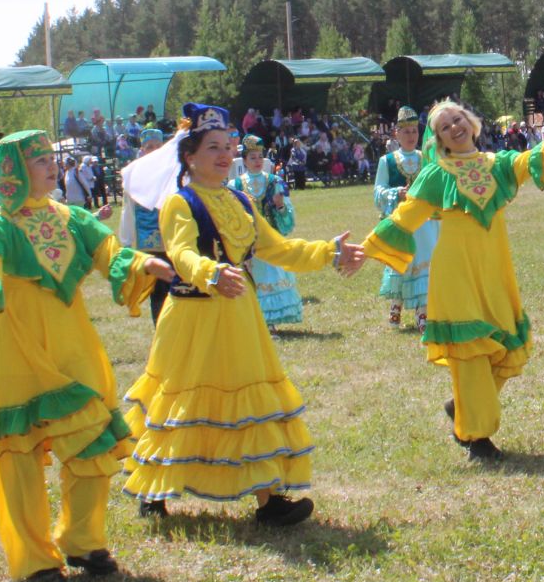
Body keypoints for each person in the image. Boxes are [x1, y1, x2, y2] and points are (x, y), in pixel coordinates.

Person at [0, 131, 173, 582]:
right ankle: (34, 560)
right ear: (13, 171)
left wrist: (141, 264)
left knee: (96, 441)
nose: (52, 167)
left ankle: (82, 541)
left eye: (53, 159)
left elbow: (108, 249)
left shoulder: (72, 218)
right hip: (22, 351)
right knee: (20, 453)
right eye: (40, 161)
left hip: (74, 347)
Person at [121, 105, 365, 520]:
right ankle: (155, 490)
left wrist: (330, 251)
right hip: (193, 318)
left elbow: (280, 249)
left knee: (249, 401)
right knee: (180, 399)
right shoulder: (179, 203)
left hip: (240, 315)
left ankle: (267, 500)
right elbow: (180, 253)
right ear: (189, 156)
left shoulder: (241, 200)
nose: (223, 154)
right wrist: (210, 272)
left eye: (227, 146)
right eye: (212, 147)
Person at [362, 104, 544, 462]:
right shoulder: (435, 174)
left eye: (457, 120)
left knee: (507, 344)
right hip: (455, 273)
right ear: (440, 140)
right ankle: (476, 438)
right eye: (445, 127)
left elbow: (530, 161)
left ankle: (462, 404)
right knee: (473, 349)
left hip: (494, 268)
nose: (454, 128)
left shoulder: (498, 163)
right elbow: (405, 217)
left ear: (471, 123)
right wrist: (366, 249)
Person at [372, 106, 437, 332]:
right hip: (400, 221)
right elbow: (378, 192)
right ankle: (397, 301)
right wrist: (396, 193)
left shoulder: (425, 158)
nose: (411, 136)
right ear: (397, 134)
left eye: (414, 131)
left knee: (423, 260)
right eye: (406, 132)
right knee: (403, 262)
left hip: (423, 222)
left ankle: (423, 310)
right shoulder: (387, 161)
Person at [229, 136, 302, 328]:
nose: (257, 161)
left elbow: (288, 221)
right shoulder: (234, 186)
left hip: (269, 240)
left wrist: (280, 207)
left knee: (269, 278)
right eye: (252, 157)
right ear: (244, 160)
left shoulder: (275, 181)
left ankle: (270, 323)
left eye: (260, 156)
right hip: (247, 244)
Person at [116, 126, 172, 322]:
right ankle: (161, 331)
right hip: (149, 242)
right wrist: (125, 243)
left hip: (175, 239)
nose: (155, 150)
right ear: (142, 150)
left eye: (158, 146)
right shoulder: (134, 176)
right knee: (158, 290)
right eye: (149, 147)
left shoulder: (173, 172)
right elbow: (127, 211)